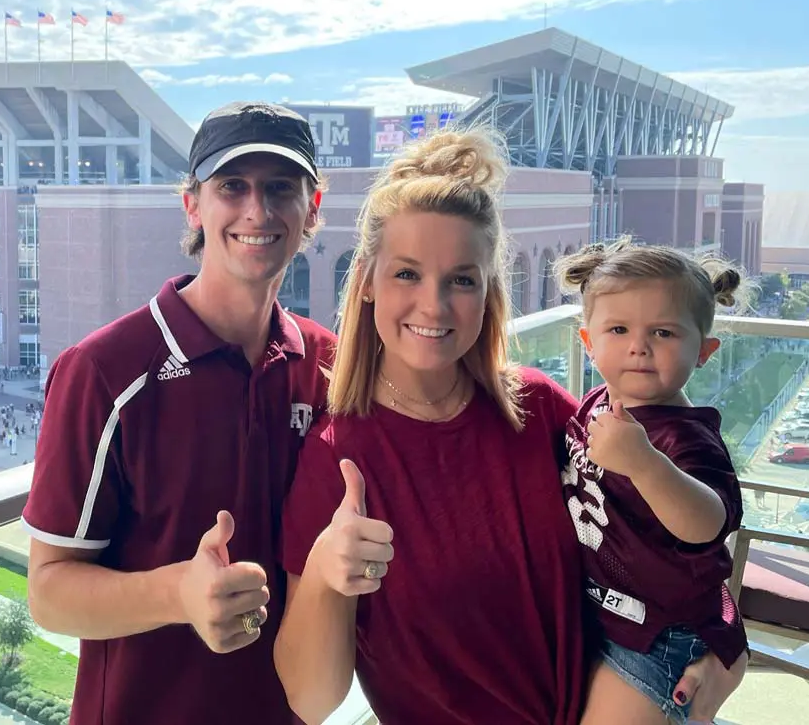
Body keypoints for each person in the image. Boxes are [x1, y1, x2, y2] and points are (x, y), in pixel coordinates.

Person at [274, 128, 745, 725]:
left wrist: (726, 644)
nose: (434, 305)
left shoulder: (542, 409)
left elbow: (671, 541)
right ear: (366, 281)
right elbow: (312, 702)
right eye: (407, 274)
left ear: (489, 291)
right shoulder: (338, 456)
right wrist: (324, 573)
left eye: (462, 279)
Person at [22, 102, 336, 725]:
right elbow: (49, 592)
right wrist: (178, 594)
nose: (258, 210)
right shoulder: (105, 371)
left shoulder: (326, 362)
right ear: (192, 205)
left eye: (281, 188)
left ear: (313, 208)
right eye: (232, 187)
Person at [554, 238, 748, 725]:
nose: (638, 346)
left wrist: (644, 464)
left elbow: (708, 523)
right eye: (618, 329)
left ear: (704, 351)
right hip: (606, 615)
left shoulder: (685, 438)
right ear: (588, 342)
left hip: (658, 638)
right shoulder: (599, 400)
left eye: (663, 332)